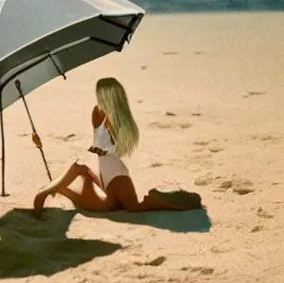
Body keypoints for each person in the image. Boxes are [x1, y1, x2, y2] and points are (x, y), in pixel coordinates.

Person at [33, 77, 202, 218]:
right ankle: (54, 188)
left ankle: (58, 188)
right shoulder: (107, 114)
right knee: (126, 207)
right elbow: (105, 142)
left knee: (111, 206)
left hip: (109, 168)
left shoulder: (109, 115)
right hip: (109, 167)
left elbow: (104, 143)